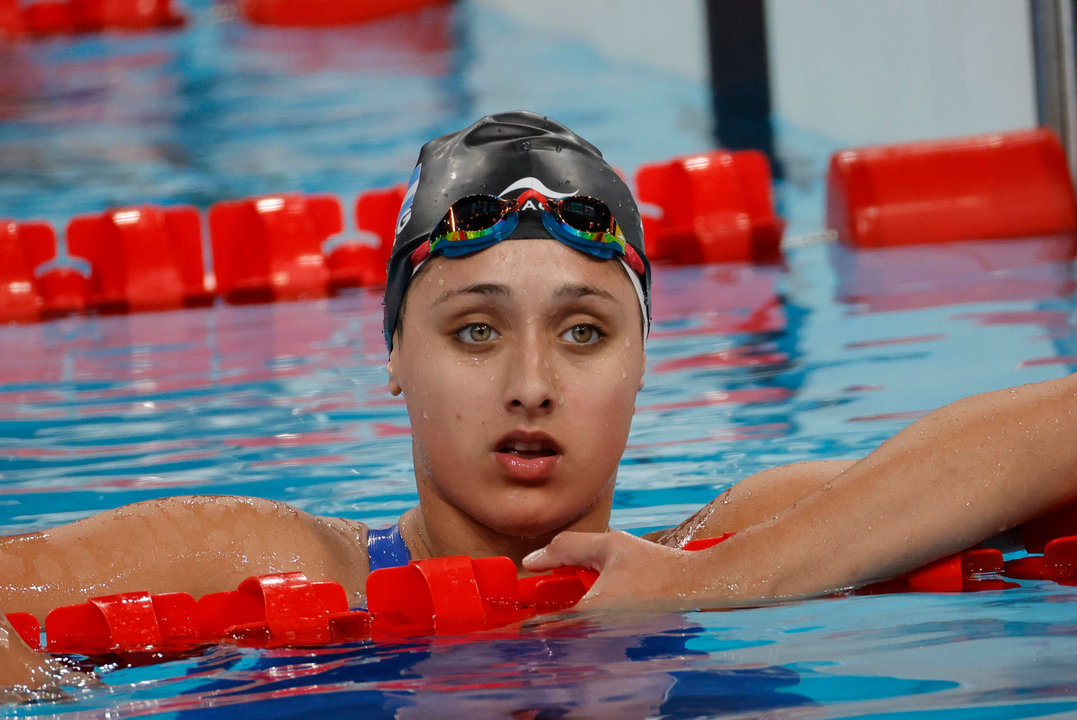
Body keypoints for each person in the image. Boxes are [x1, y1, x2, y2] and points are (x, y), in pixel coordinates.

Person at [2, 111, 1076, 693]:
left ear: (646, 359)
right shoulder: (269, 563)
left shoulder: (754, 539)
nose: (531, 384)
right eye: (474, 330)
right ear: (391, 358)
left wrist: (733, 579)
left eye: (584, 331)